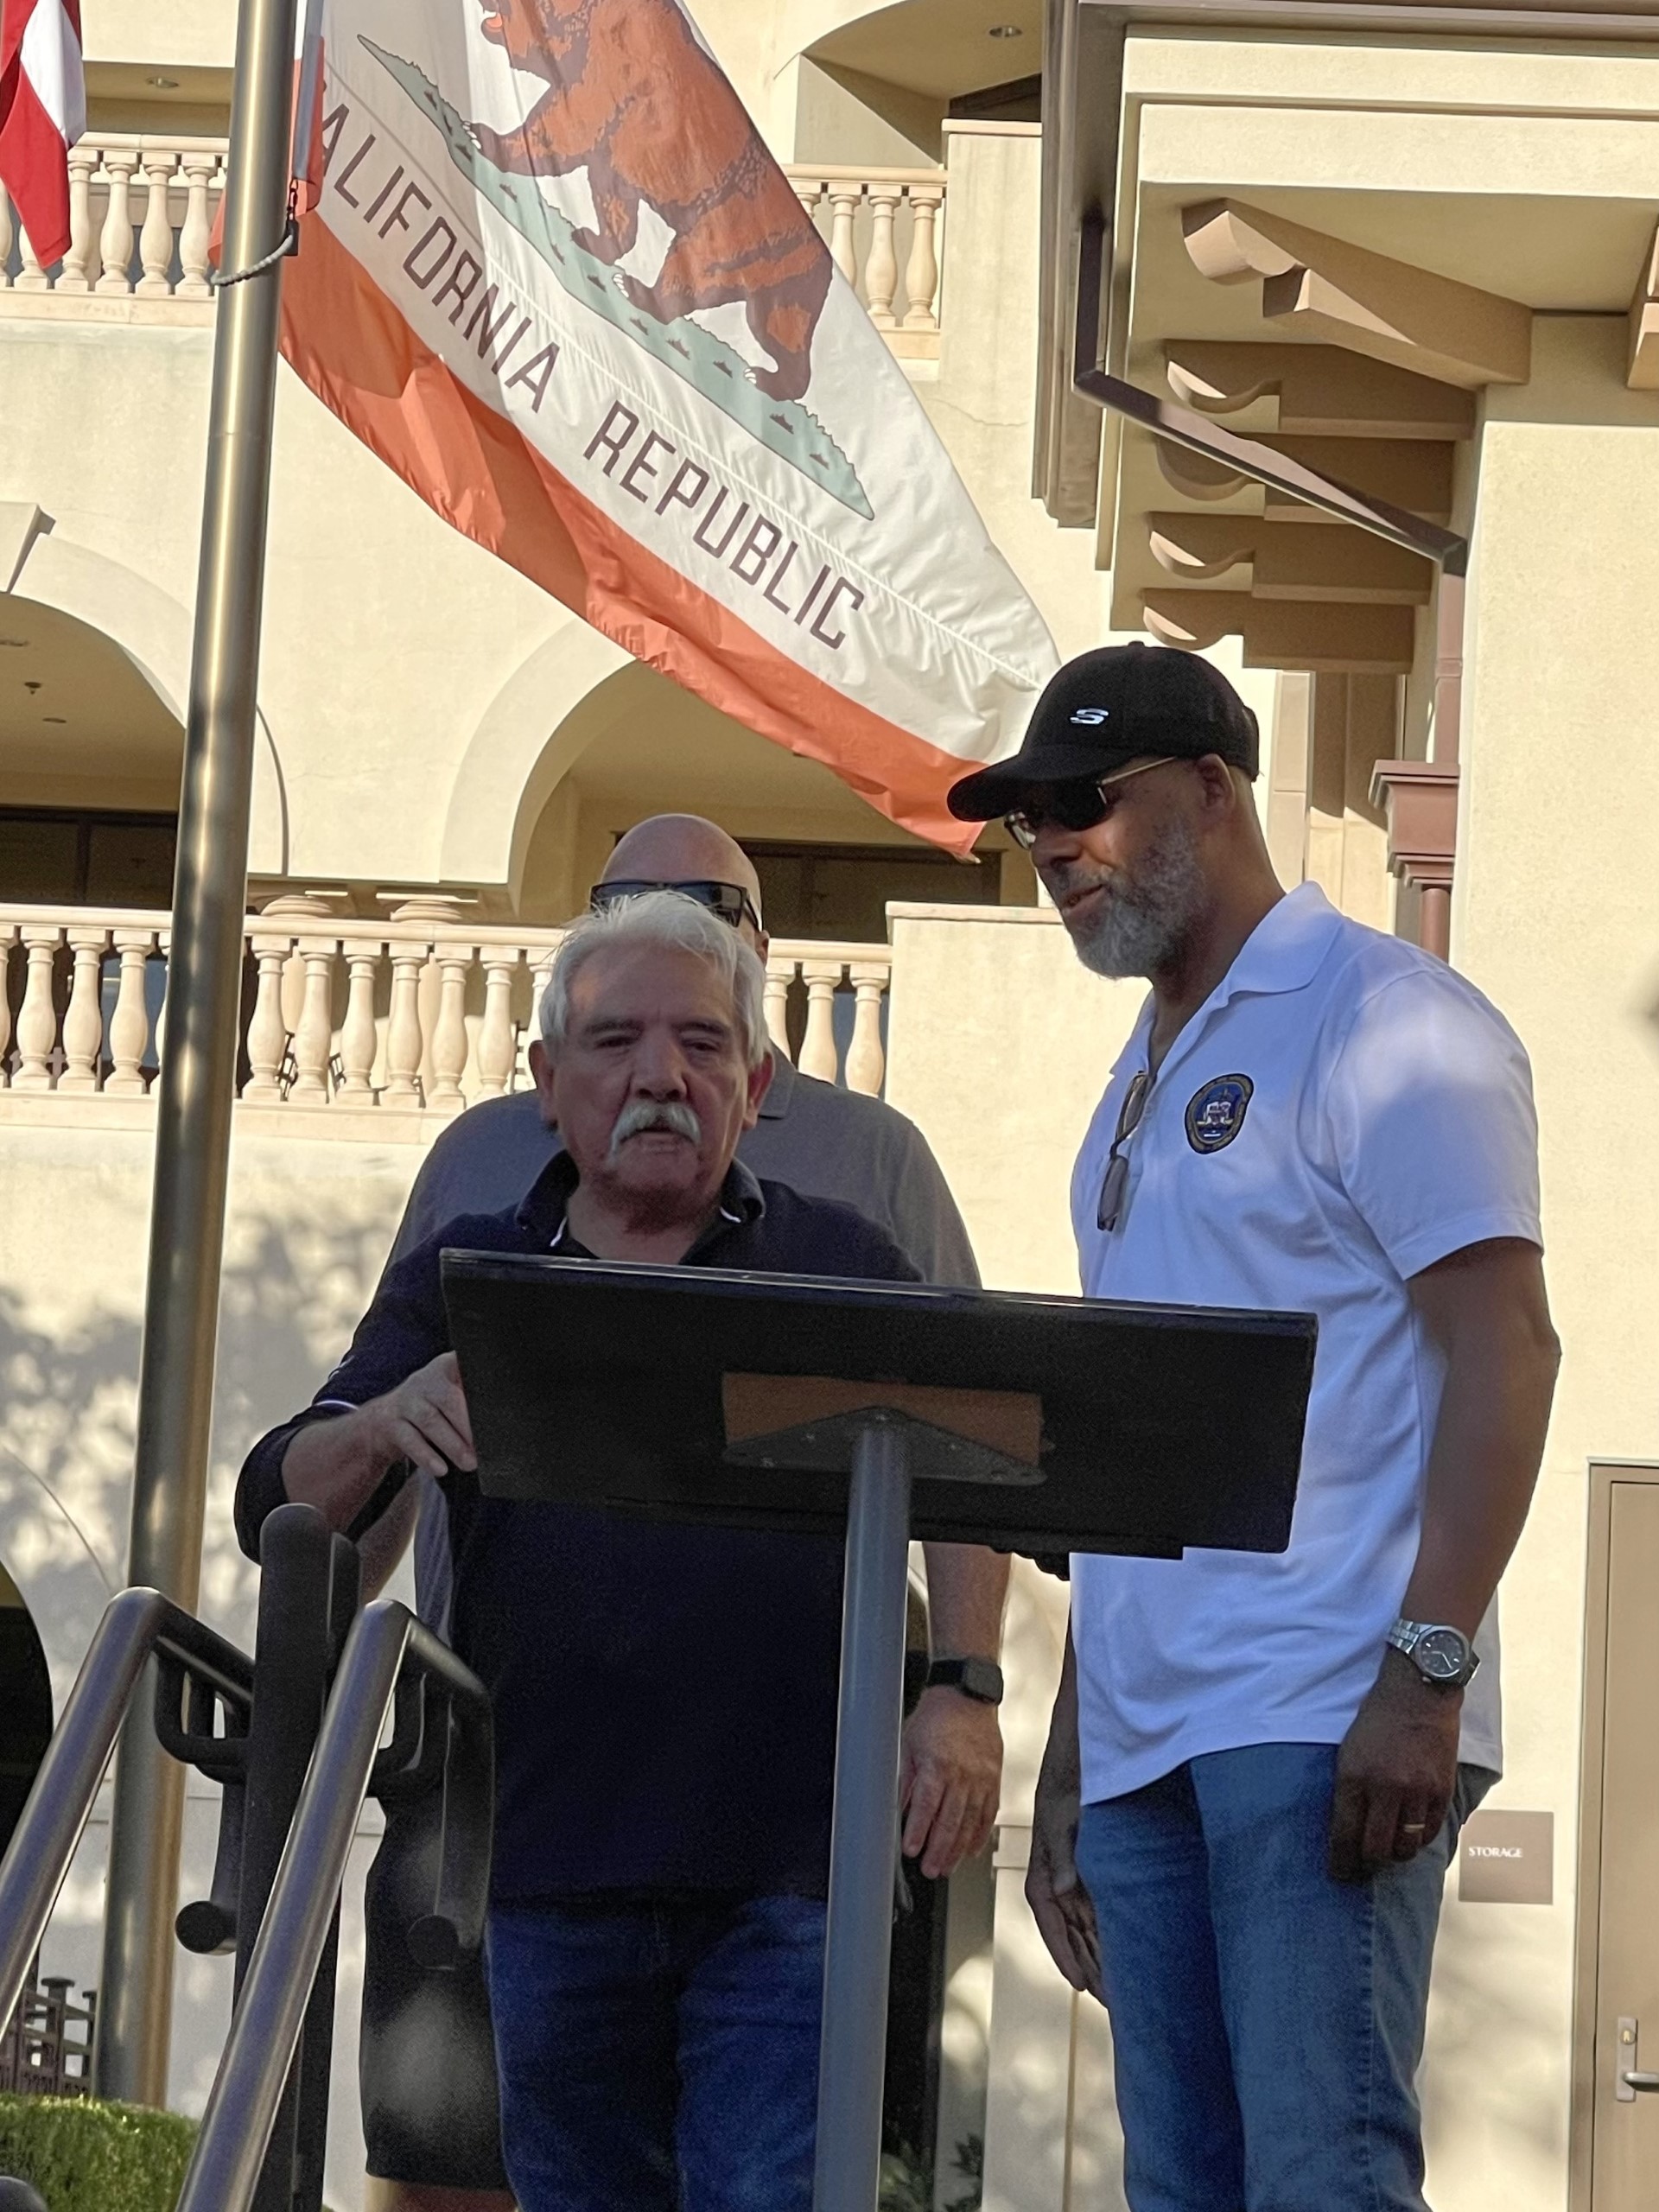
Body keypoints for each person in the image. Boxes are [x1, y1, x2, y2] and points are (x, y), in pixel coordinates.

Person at [237, 893, 1001, 2212]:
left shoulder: (845, 1262)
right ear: (548, 1084)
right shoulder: (471, 1269)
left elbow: (982, 1463)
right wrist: (381, 1420)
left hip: (792, 1875)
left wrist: (966, 1688)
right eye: (616, 1042)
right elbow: (281, 1500)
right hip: (543, 1869)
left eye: (703, 1044)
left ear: (756, 1086)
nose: (661, 1076)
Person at [946, 642, 1560, 2212]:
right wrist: (1078, 1756)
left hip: (1323, 1708)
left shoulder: (1385, 1018)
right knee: (1183, 2194)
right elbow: (1133, 1461)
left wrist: (1426, 1675)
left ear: (1213, 789)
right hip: (1152, 1736)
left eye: (1086, 802)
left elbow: (1507, 1351)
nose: (1053, 848)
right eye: (1029, 822)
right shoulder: (1132, 1083)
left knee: (1320, 2180)